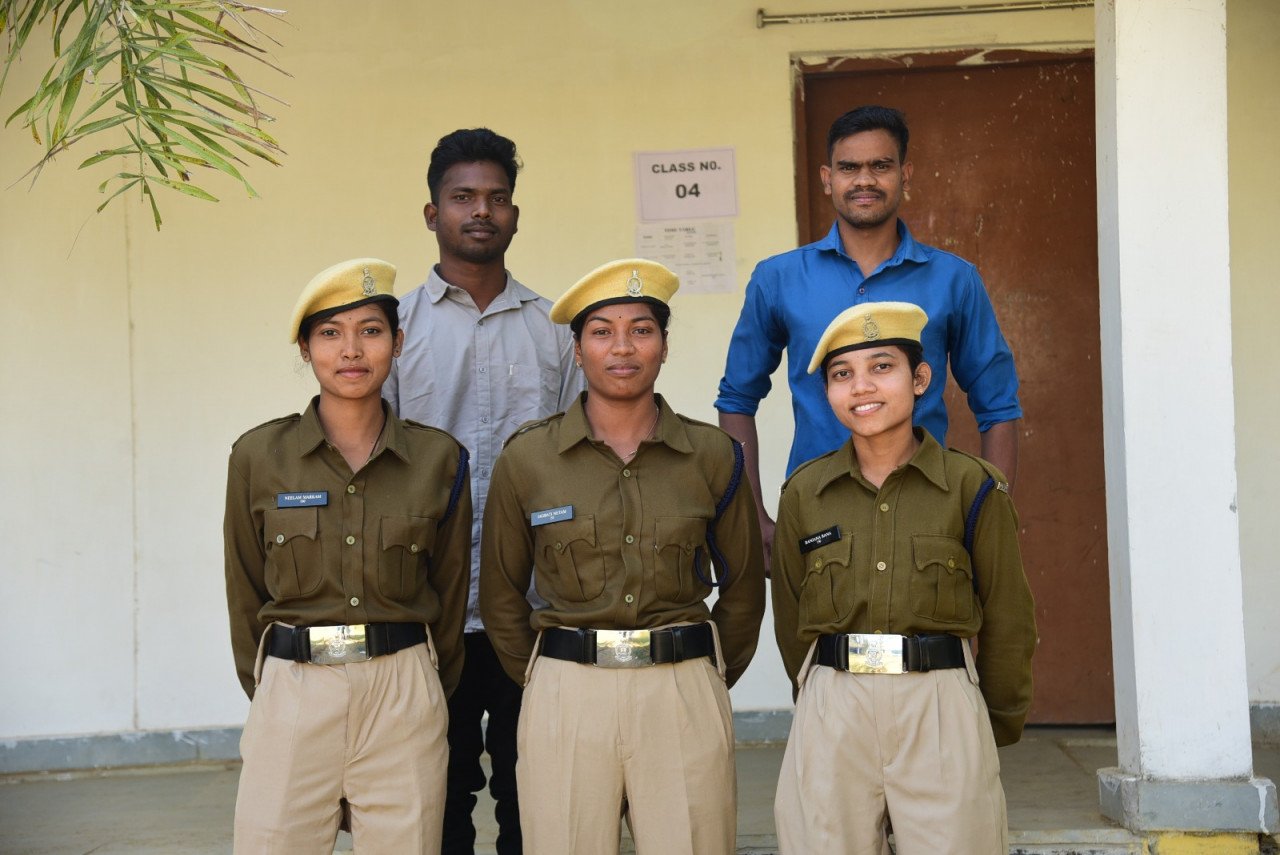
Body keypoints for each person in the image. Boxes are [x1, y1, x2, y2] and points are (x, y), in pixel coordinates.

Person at [479, 259, 766, 854]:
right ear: (577, 350)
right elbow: (501, 592)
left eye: (642, 330)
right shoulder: (528, 458)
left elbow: (743, 588)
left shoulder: (712, 454)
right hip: (567, 692)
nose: (622, 348)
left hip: (680, 689)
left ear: (664, 345)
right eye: (602, 332)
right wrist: (543, 678)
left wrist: (705, 678)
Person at [224, 258, 471, 853]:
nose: (352, 350)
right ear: (306, 349)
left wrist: (421, 689)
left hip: (403, 692)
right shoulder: (259, 456)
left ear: (398, 343)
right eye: (331, 333)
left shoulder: (439, 460)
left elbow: (450, 592)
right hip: (294, 689)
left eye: (371, 330)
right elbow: (244, 589)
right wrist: (274, 691)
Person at [770, 301, 1036, 853]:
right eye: (842, 374)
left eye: (882, 367)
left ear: (920, 379)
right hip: (834, 705)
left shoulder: (973, 486)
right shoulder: (805, 493)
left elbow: (1009, 616)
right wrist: (820, 700)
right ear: (828, 393)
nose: (862, 387)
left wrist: (988, 722)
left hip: (939, 705)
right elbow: (791, 616)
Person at [383, 127, 582, 855]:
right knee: (436, 798)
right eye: (462, 197)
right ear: (431, 213)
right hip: (429, 606)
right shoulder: (393, 330)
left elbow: (582, 460)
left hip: (535, 607)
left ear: (515, 215)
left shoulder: (557, 330)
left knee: (539, 800)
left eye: (496, 198)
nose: (481, 211)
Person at [716, 104, 1021, 567]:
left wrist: (990, 513)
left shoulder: (954, 279)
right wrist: (752, 515)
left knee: (936, 618)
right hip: (815, 511)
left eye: (880, 166)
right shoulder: (778, 279)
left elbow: (998, 406)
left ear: (905, 174)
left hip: (930, 512)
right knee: (817, 620)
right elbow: (737, 399)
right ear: (827, 178)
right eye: (848, 167)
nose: (864, 180)